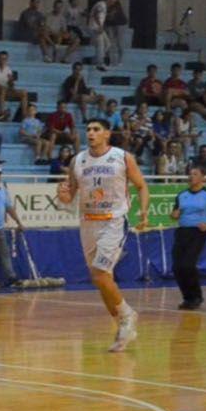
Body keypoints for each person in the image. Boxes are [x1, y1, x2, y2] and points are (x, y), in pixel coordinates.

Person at [56, 117, 150, 352]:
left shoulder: (122, 157)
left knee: (100, 272)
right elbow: (70, 196)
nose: (90, 132)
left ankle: (128, 315)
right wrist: (62, 195)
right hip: (88, 222)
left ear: (107, 133)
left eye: (96, 129)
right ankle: (123, 326)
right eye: (87, 129)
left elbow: (141, 185)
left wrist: (144, 212)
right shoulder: (77, 161)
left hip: (114, 221)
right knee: (99, 279)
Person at [170, 167, 206, 310]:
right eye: (190, 174)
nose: (191, 176)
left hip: (197, 232)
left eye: (195, 174)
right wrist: (174, 214)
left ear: (202, 178)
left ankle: (197, 296)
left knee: (188, 264)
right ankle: (187, 297)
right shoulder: (182, 195)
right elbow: (175, 212)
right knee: (177, 267)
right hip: (182, 231)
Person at [42, 0, 81, 64]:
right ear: (53, 7)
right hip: (50, 35)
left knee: (77, 40)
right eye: (57, 7)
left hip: (59, 36)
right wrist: (55, 33)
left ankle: (65, 57)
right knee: (43, 33)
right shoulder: (48, 16)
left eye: (60, 7)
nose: (58, 9)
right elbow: (46, 28)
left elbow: (64, 30)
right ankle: (50, 51)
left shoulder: (62, 18)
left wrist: (63, 34)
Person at [87, 0, 112, 69]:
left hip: (98, 27)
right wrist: (100, 26)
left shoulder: (104, 6)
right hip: (95, 27)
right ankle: (100, 63)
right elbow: (95, 14)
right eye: (112, 0)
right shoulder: (101, 4)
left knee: (108, 44)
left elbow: (98, 15)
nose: (113, 3)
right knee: (100, 45)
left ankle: (96, 59)